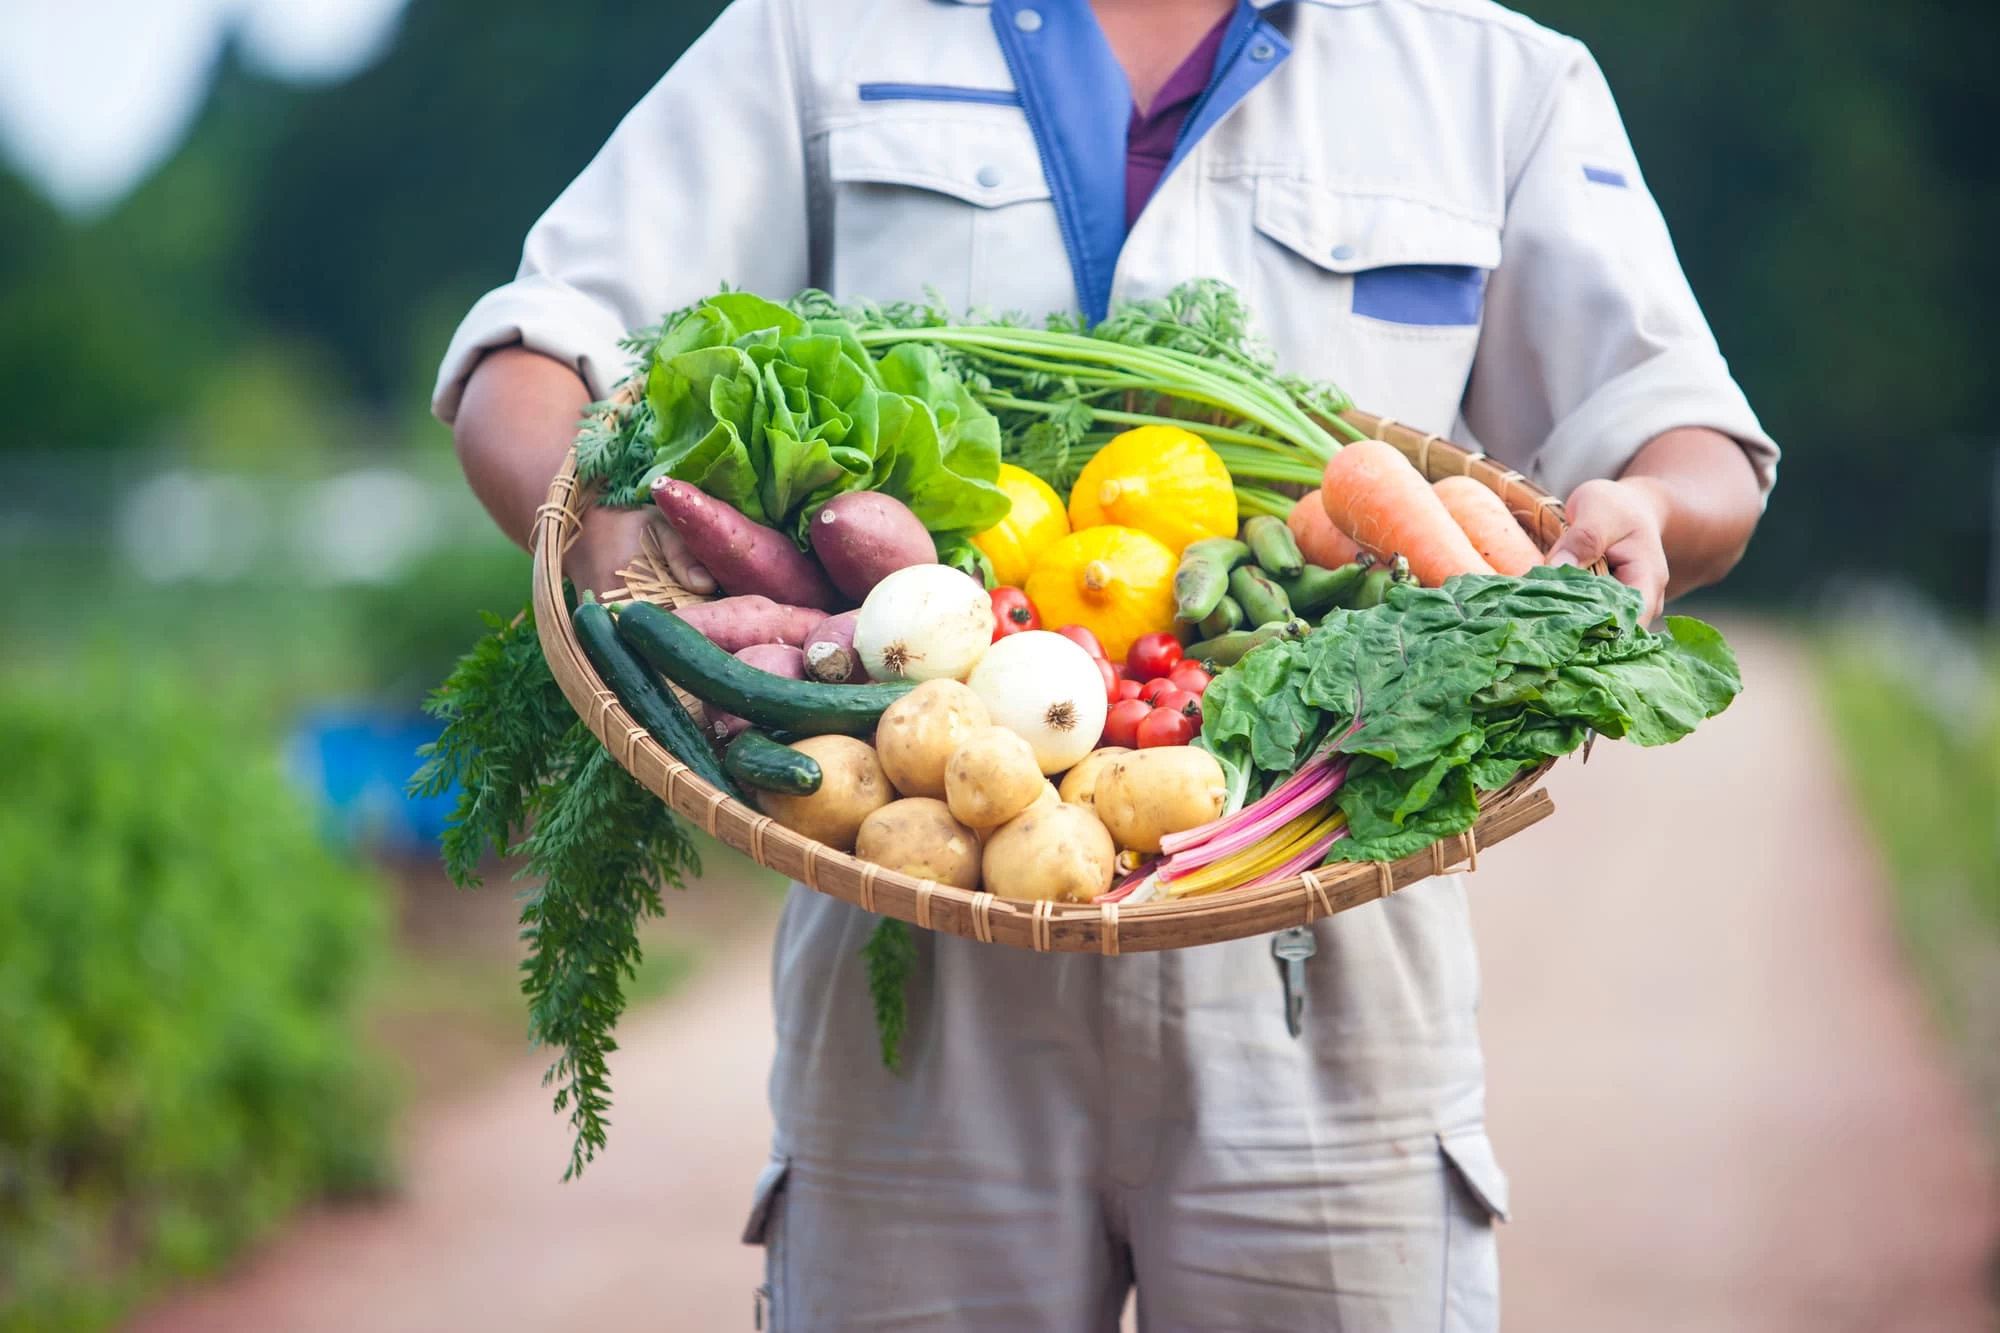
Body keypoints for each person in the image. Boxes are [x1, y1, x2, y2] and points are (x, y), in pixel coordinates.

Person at [437, 0, 1777, 1327]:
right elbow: (529, 357)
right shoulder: (819, 33)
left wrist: (1650, 510)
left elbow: (1689, 436)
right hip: (923, 910)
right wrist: (631, 557)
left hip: (1328, 955)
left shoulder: (1493, 75)